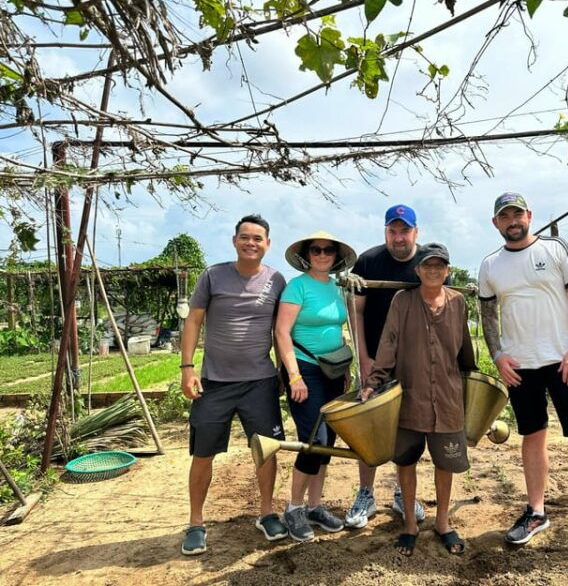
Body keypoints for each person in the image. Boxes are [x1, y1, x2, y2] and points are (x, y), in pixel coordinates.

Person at [478, 192, 568, 563]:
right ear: (496, 223)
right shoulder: (490, 265)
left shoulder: (557, 250)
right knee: (532, 436)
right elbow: (488, 314)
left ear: (529, 215)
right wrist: (498, 355)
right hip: (520, 368)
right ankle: (536, 512)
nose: (512, 220)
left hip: (564, 363)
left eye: (517, 213)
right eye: (504, 216)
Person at [180, 214, 288, 556]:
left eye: (258, 238)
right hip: (214, 382)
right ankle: (196, 522)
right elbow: (194, 320)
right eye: (245, 237)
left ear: (268, 244)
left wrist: (286, 374)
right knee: (203, 453)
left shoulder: (277, 281)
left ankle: (267, 513)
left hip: (260, 382)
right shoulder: (213, 276)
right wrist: (187, 368)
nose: (251, 243)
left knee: (267, 450)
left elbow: (281, 330)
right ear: (234, 241)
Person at [362, 243, 476, 556]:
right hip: (409, 396)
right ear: (418, 270)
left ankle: (442, 521)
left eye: (440, 266)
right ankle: (410, 523)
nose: (434, 271)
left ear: (448, 271)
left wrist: (475, 384)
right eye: (428, 266)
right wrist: (374, 381)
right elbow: (389, 343)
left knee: (445, 462)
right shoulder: (403, 301)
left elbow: (465, 348)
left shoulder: (457, 302)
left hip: (448, 397)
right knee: (406, 461)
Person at [344, 204, 437, 529]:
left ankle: (403, 493)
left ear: (416, 232)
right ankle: (366, 492)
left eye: (404, 230)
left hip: (414, 363)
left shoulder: (428, 262)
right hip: (375, 363)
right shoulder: (369, 261)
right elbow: (356, 312)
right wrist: (364, 357)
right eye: (392, 230)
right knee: (368, 426)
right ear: (385, 231)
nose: (398, 237)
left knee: (409, 429)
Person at [274, 230, 357, 542]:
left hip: (333, 371)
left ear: (336, 257)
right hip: (304, 369)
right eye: (316, 250)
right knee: (313, 439)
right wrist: (293, 375)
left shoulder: (339, 287)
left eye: (328, 251)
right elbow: (282, 332)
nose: (322, 255)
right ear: (306, 255)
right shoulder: (298, 287)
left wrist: (346, 371)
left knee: (328, 442)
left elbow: (343, 327)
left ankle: (315, 506)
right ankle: (293, 507)